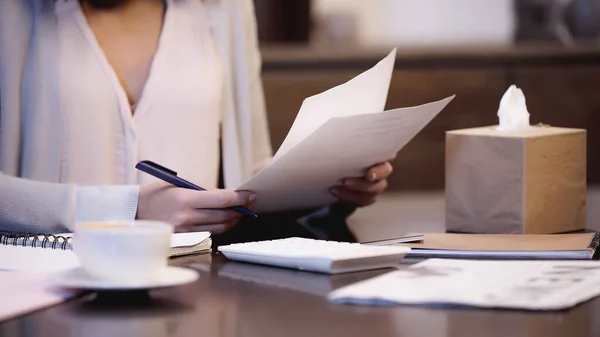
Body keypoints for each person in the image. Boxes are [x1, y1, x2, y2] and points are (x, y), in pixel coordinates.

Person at [0, 0, 394, 244]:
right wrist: (129, 210)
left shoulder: (226, 9)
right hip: (50, 285)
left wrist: (331, 189)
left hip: (200, 284)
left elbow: (254, 173)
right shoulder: (13, 13)